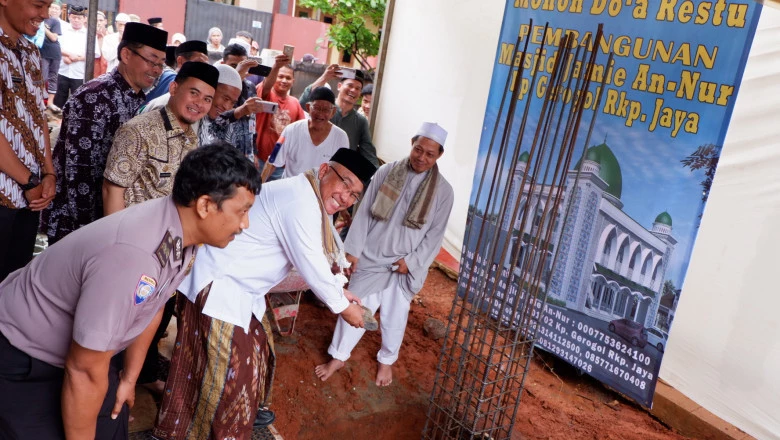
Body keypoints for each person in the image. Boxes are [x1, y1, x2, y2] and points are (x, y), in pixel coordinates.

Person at [0, 143, 261, 440]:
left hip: (86, 355)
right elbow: (83, 371)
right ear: (204, 206)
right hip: (22, 356)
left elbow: (154, 304)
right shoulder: (134, 257)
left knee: (112, 422)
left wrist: (128, 378)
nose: (245, 223)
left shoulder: (181, 234)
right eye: (242, 211)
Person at [153, 148, 375, 440]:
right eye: (345, 184)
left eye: (354, 195)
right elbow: (311, 264)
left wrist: (341, 294)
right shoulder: (300, 200)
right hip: (220, 286)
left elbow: (318, 260)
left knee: (254, 351)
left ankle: (214, 420)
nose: (346, 197)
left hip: (241, 291)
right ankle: (214, 430)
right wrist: (343, 308)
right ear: (324, 170)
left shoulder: (311, 196)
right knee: (227, 378)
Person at [315, 122, 455, 387]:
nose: (422, 157)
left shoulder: (444, 192)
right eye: (418, 149)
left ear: (439, 156)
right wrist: (353, 251)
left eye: (430, 154)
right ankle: (338, 356)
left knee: (394, 317)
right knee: (355, 307)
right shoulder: (386, 172)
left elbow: (434, 236)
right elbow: (365, 209)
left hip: (403, 266)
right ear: (412, 143)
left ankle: (386, 361)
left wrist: (411, 262)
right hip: (371, 257)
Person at [43, 22, 168, 244]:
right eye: (151, 60)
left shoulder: (137, 98)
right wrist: (95, 230)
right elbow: (79, 173)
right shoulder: (95, 97)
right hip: (80, 225)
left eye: (161, 63)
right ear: (126, 54)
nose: (156, 70)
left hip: (111, 221)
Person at [0, 0, 57, 281]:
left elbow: (39, 118)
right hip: (8, 192)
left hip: (29, 198)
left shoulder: (31, 52)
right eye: (37, 4)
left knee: (12, 289)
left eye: (47, 5)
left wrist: (48, 173)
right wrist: (30, 181)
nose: (44, 14)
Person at [261, 87, 349, 182]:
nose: (320, 114)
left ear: (333, 112)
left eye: (326, 110)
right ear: (308, 108)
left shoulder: (341, 137)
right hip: (290, 191)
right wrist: (257, 189)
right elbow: (272, 162)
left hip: (319, 195)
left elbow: (341, 172)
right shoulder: (291, 130)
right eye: (316, 108)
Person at [300, 64, 379, 166]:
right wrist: (325, 78)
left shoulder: (361, 121)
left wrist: (377, 176)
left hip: (338, 172)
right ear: (339, 86)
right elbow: (303, 102)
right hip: (312, 164)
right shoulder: (324, 110)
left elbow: (368, 151)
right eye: (350, 85)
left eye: (358, 88)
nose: (353, 90)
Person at [199, 64, 267, 163]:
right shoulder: (191, 115)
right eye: (225, 98)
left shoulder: (227, 124)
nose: (226, 106)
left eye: (233, 102)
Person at [255, 53, 305, 177]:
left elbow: (301, 132)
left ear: (293, 81)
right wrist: (276, 67)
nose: (284, 80)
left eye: (288, 78)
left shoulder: (295, 103)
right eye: (280, 76)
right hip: (258, 160)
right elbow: (267, 85)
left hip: (281, 165)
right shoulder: (266, 94)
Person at [53, 5, 101, 108]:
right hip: (63, 70)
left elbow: (95, 53)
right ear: (69, 16)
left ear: (84, 19)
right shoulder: (63, 30)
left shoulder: (89, 34)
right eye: (74, 17)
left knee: (78, 102)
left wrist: (78, 58)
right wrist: (66, 55)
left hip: (79, 73)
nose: (76, 20)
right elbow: (56, 46)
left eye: (79, 18)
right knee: (59, 100)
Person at [142, 39, 209, 104]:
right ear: (180, 61)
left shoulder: (166, 75)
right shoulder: (174, 80)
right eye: (199, 63)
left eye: (206, 65)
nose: (203, 69)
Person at [41, 1, 63, 112]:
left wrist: (43, 28)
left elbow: (54, 38)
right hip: (42, 51)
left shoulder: (54, 21)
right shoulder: (40, 18)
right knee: (42, 77)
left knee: (53, 77)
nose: (53, 10)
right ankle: (40, 99)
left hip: (54, 52)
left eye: (56, 8)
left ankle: (50, 102)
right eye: (52, 7)